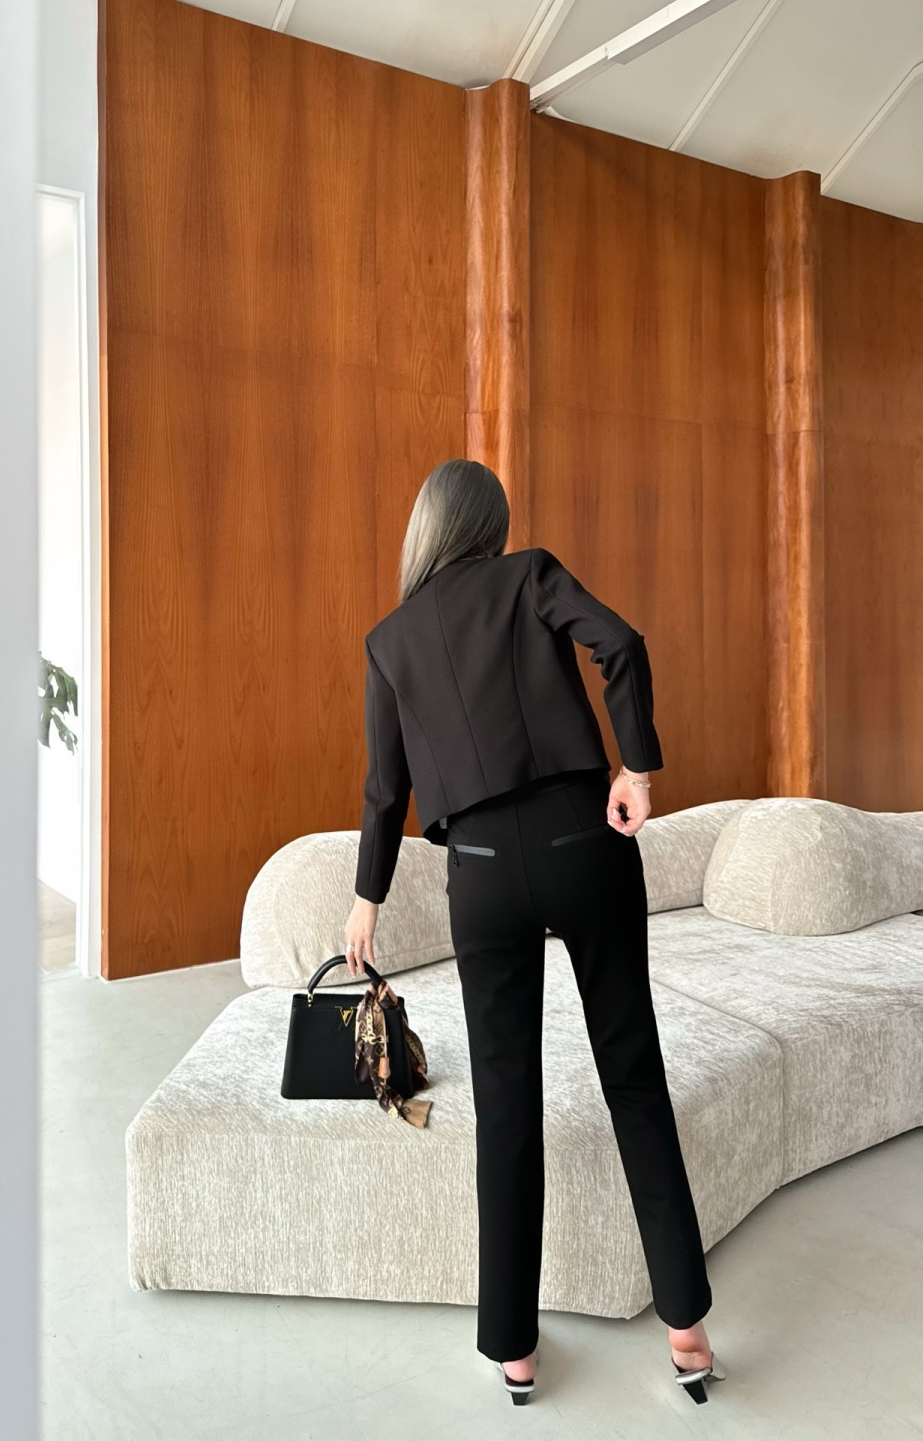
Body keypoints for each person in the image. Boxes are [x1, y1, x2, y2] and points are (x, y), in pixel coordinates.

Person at [343, 458, 725, 1406]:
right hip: (581, 842)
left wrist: (367, 899)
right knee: (633, 1075)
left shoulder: (390, 641)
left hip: (478, 873)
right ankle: (686, 1331)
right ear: (491, 525)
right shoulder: (529, 576)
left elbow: (386, 789)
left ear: (426, 529)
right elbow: (621, 643)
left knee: (507, 1102)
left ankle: (514, 1351)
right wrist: (636, 768)